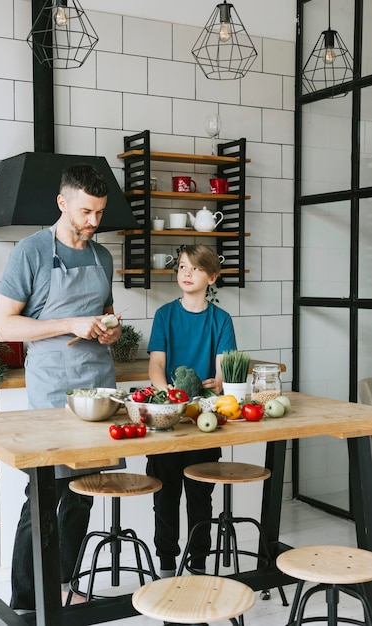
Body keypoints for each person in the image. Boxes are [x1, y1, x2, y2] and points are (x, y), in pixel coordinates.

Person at [0, 163, 123, 611]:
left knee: (85, 490)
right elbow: (3, 326)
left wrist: (111, 332)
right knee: (44, 493)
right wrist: (69, 322)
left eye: (100, 213)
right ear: (63, 202)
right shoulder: (29, 252)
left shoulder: (101, 256)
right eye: (86, 211)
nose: (93, 221)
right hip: (52, 389)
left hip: (98, 387)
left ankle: (64, 585)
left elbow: (106, 314)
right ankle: (27, 599)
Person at [146, 244, 237, 577]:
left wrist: (218, 381)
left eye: (196, 269)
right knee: (165, 494)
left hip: (204, 419)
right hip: (168, 417)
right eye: (183, 267)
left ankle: (198, 564)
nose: (186, 273)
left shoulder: (220, 320)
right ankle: (167, 565)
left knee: (200, 496)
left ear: (211, 277)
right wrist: (165, 391)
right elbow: (156, 364)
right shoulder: (164, 315)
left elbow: (223, 367)